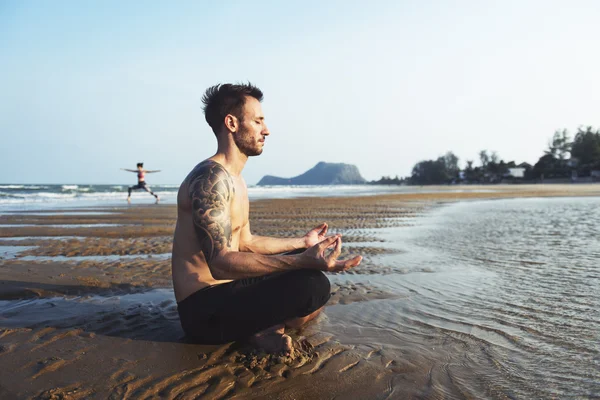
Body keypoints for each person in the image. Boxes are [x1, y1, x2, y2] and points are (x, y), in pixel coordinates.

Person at [171, 83, 363, 354]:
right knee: (311, 285)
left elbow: (246, 242)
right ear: (232, 123)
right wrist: (298, 260)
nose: (266, 129)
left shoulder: (235, 179)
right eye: (258, 121)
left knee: (311, 277)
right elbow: (220, 264)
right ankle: (262, 330)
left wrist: (302, 242)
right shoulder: (210, 178)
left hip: (229, 292)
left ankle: (263, 330)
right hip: (203, 312)